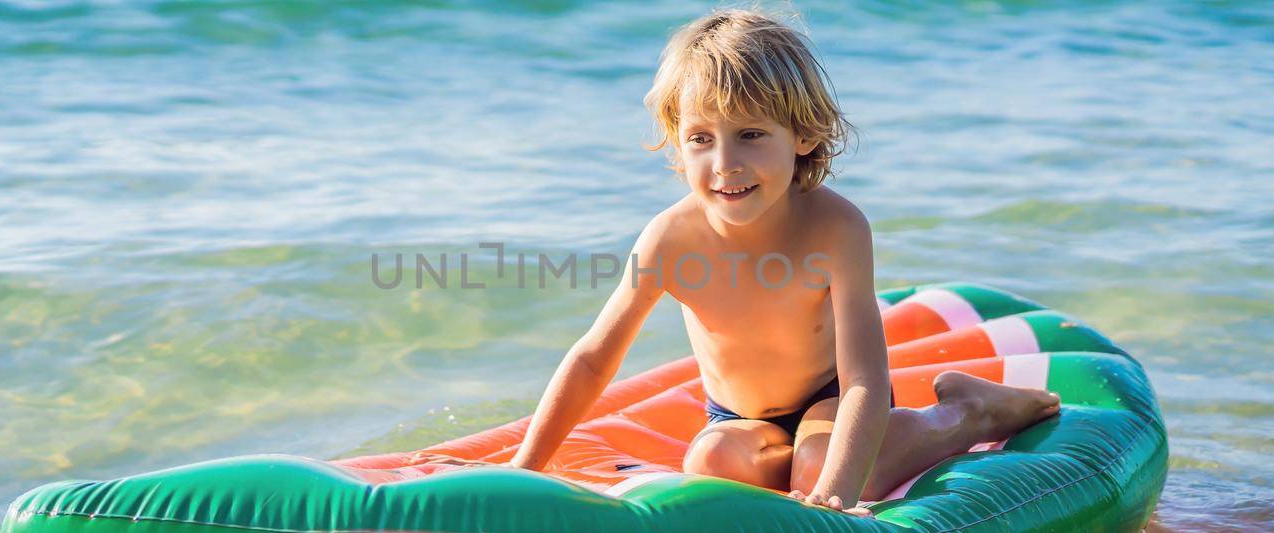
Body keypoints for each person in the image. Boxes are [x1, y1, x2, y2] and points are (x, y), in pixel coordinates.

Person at [421, 8, 1060, 516]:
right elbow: (594, 357)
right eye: (701, 139)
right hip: (738, 414)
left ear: (802, 136)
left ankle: (967, 411)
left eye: (751, 134)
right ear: (678, 143)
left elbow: (865, 376)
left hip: (834, 396)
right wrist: (523, 466)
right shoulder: (671, 239)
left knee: (814, 468)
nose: (724, 163)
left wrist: (835, 497)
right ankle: (811, 454)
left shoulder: (836, 227)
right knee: (714, 465)